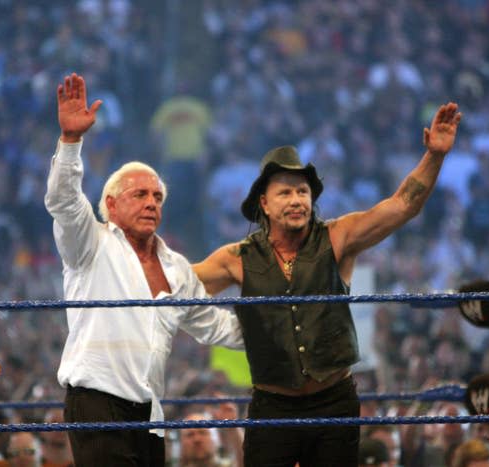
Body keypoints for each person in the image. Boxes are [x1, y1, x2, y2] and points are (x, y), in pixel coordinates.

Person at [194, 102, 461, 466]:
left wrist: (434, 156)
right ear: (264, 204)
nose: (296, 200)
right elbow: (180, 286)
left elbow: (402, 206)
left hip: (333, 400)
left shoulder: (338, 237)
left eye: (302, 192)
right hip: (273, 405)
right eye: (285, 193)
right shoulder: (236, 256)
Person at [44, 72, 243, 467]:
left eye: (157, 196)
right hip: (97, 402)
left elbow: (216, 326)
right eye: (140, 194)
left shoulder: (176, 267)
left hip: (150, 414)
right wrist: (70, 143)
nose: (152, 202)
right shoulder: (91, 245)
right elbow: (64, 201)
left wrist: (285, 332)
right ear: (112, 205)